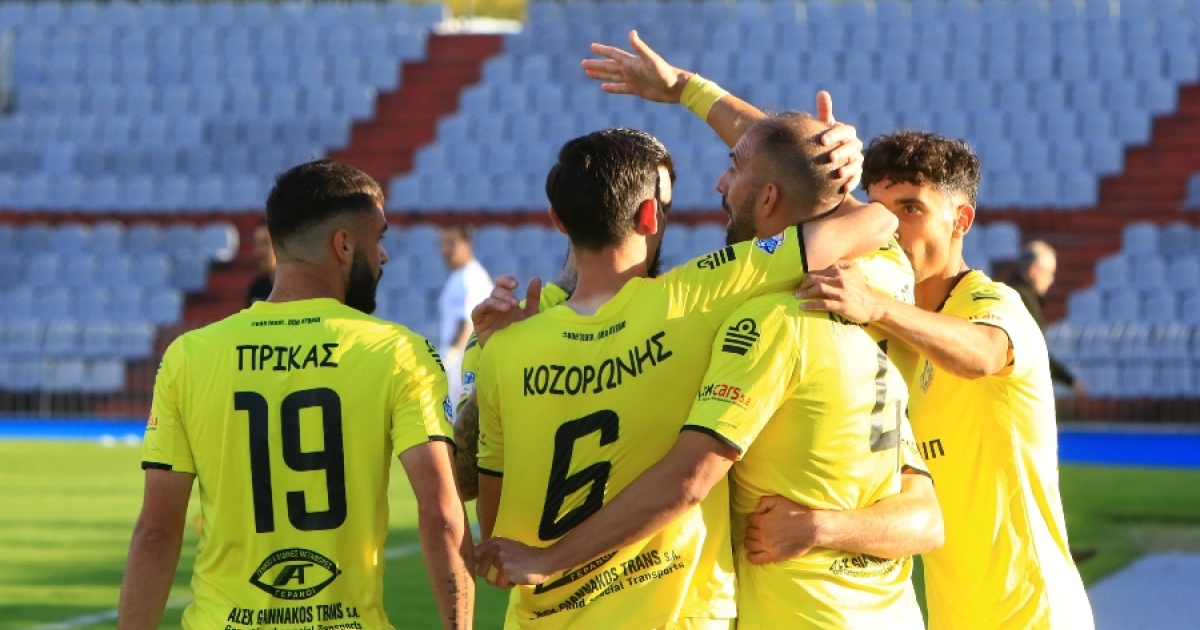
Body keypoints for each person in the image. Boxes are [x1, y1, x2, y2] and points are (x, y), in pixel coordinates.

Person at [475, 35, 942, 630]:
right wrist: (835, 172)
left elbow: (490, 521)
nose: (720, 183)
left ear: (557, 219)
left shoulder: (505, 342)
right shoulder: (709, 299)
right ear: (652, 216)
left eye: (732, 169)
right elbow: (869, 217)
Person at [117, 160, 474, 630]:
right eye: (378, 239)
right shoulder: (399, 352)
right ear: (343, 245)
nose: (384, 256)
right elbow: (442, 515)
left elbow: (157, 533)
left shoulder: (189, 355)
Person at [795, 132, 1095, 629]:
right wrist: (692, 94)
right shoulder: (899, 326)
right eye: (878, 209)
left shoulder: (992, 302)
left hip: (1032, 616)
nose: (889, 228)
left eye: (911, 209)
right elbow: (778, 160)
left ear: (961, 221)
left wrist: (876, 305)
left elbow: (984, 353)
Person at [1008, 240, 1087, 397]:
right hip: (1017, 389)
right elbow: (1036, 352)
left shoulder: (1005, 291)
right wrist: (1069, 380)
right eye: (1049, 273)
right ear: (1034, 271)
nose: (1051, 280)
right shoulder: (1024, 300)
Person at [438, 223, 494, 409]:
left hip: (463, 363)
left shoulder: (470, 278)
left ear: (467, 244)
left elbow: (467, 322)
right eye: (442, 244)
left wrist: (450, 357)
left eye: (451, 243)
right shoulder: (459, 276)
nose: (445, 250)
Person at [246, 219, 276, 306]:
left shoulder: (298, 288)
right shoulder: (257, 288)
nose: (259, 251)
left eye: (266, 243)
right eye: (257, 244)